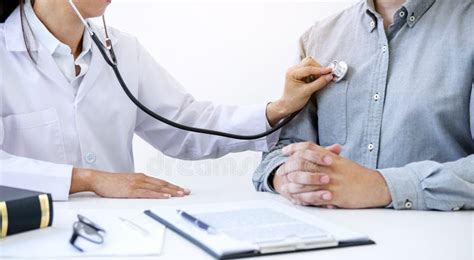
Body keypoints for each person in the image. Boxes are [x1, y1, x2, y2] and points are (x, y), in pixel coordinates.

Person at [0, 0, 334, 201]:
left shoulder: (122, 51)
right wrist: (91, 179)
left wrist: (278, 109)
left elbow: (185, 125)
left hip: (118, 234)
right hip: (28, 239)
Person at [253, 0, 474, 211]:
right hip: (331, 241)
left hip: (435, 242)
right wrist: (288, 177)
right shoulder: (317, 39)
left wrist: (381, 185)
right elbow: (277, 156)